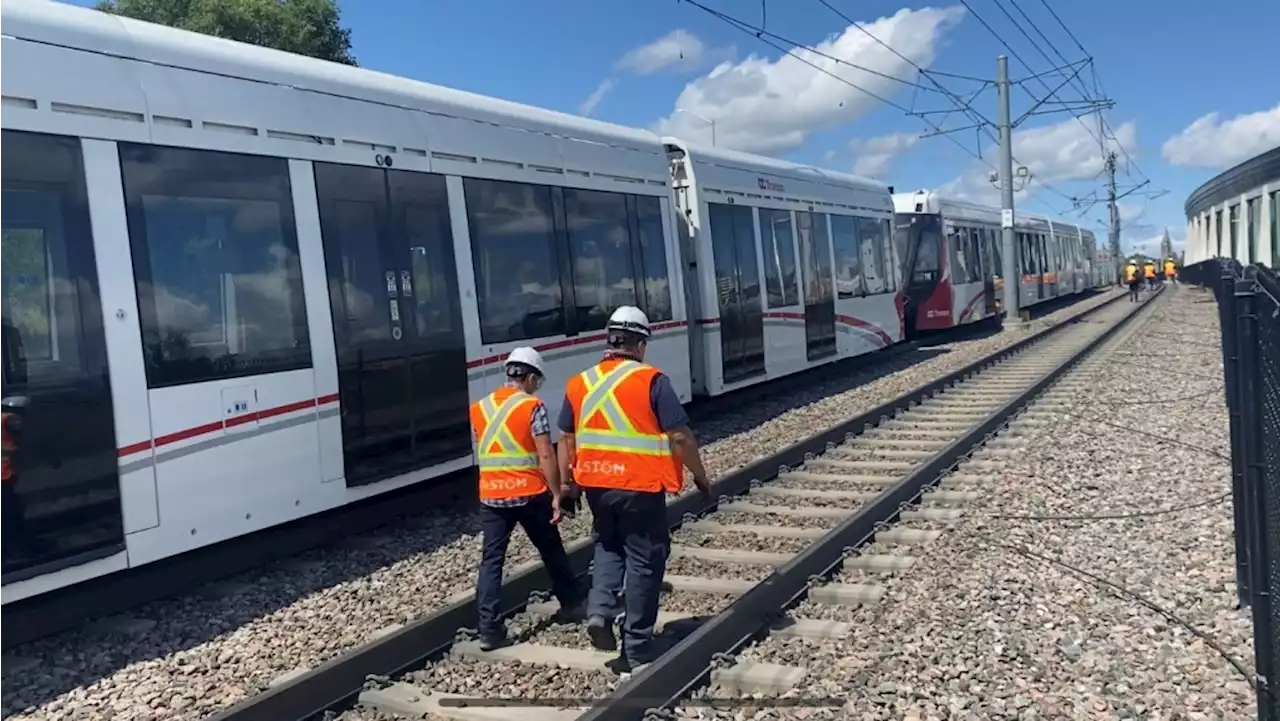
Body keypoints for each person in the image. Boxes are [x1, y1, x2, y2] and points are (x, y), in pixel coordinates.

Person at [557, 305, 712, 673]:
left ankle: (600, 609)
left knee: (610, 547)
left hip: (596, 484)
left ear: (609, 340)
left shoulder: (580, 383)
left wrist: (566, 484)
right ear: (639, 344)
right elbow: (679, 436)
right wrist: (700, 475)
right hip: (640, 486)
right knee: (645, 559)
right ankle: (638, 646)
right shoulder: (651, 381)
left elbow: (566, 437)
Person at [469, 346, 583, 651]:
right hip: (529, 493)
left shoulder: (480, 407)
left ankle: (489, 630)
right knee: (551, 549)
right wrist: (557, 493)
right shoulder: (532, 406)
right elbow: (545, 452)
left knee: (492, 561)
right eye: (538, 381)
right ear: (529, 377)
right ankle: (571, 604)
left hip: (492, 495)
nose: (537, 387)